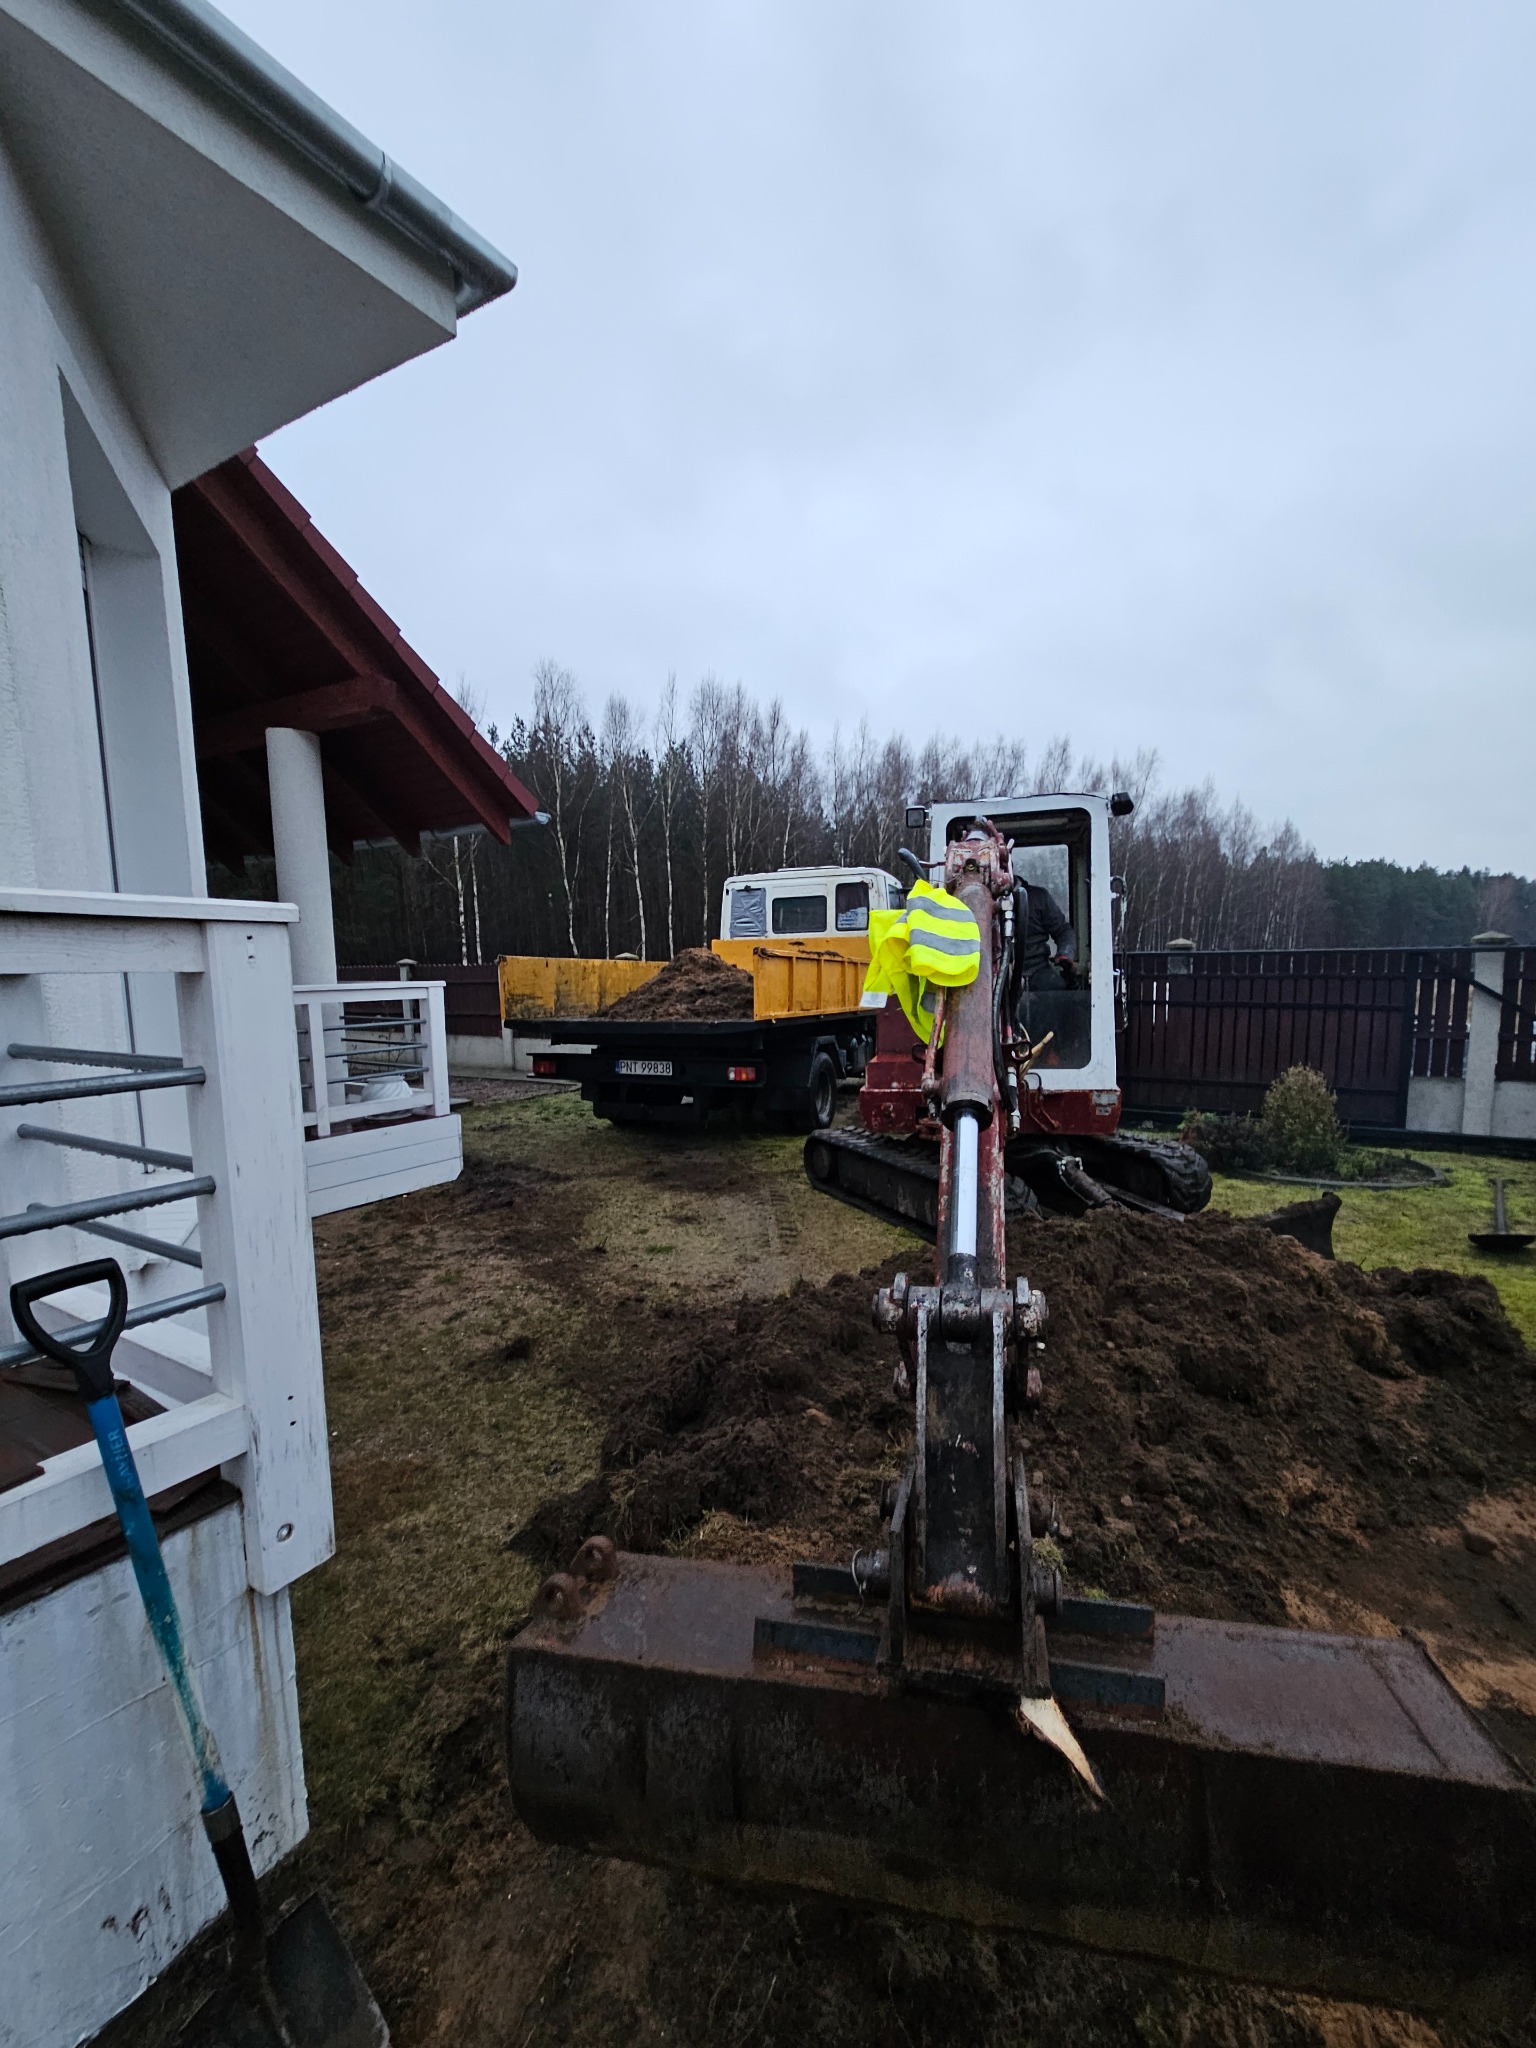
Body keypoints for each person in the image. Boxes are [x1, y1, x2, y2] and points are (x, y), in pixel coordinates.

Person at [1015, 880, 1076, 990]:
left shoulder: (1039, 897)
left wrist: (1065, 954)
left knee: (1058, 992)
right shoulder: (980, 901)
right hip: (992, 973)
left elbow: (1063, 930)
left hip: (1037, 970)